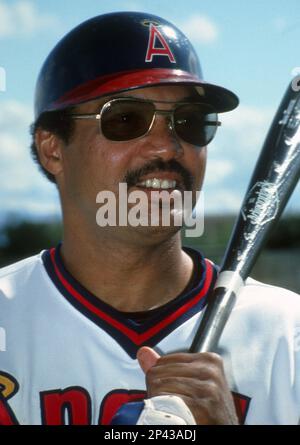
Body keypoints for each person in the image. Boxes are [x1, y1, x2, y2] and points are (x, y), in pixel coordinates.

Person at [0, 11, 299, 426]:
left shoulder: (288, 336)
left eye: (191, 121)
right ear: (53, 149)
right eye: (125, 119)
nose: (167, 147)